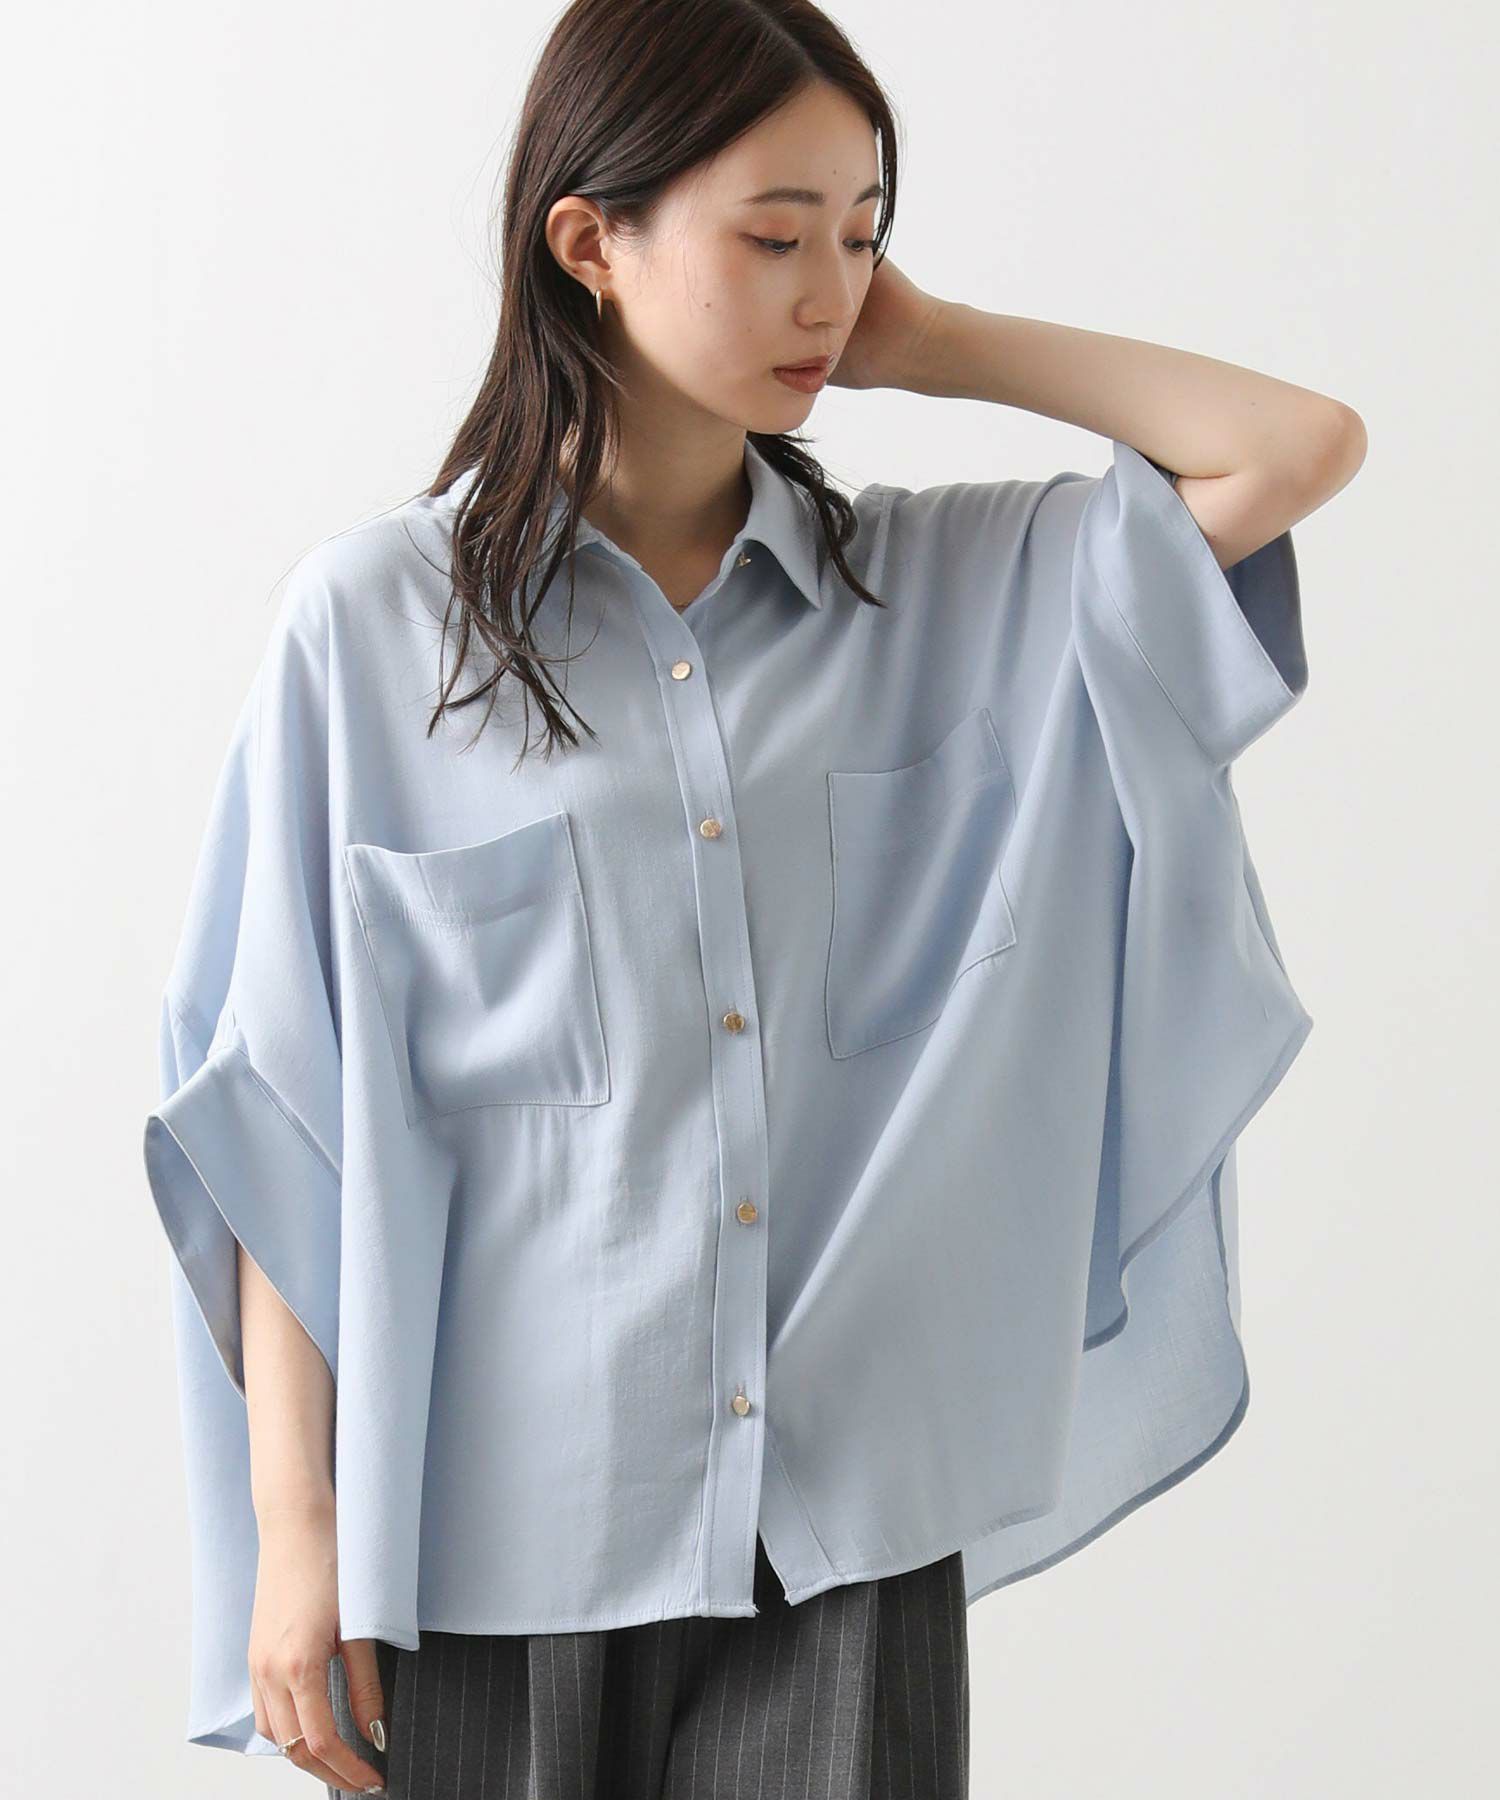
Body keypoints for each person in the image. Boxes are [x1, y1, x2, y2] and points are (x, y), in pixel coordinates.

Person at [141, 1, 1364, 1794]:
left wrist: (934, 344)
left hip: (839, 1546)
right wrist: (297, 1534)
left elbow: (1295, 445)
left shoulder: (946, 593)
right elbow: (278, 1108)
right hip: (489, 1551)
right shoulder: (377, 631)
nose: (829, 294)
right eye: (776, 238)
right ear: (590, 241)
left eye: (862, 236)